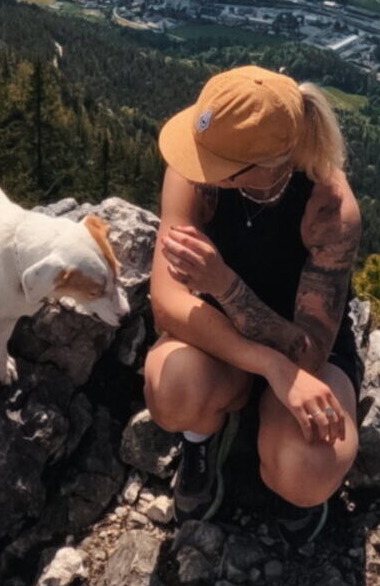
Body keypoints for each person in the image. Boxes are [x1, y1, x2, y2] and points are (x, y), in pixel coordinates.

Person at [143, 65, 363, 537]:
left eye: (216, 165)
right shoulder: (199, 166)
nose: (195, 166)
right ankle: (203, 441)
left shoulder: (329, 208)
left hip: (306, 356)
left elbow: (309, 351)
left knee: (308, 468)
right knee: (173, 387)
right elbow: (165, 301)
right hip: (221, 344)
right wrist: (268, 366)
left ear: (271, 165)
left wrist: (224, 285)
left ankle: (285, 480)